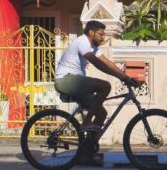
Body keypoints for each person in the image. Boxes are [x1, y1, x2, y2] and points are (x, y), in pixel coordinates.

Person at [54, 20, 141, 163]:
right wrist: (120, 77)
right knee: (105, 86)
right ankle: (87, 121)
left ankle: (87, 152)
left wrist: (126, 77)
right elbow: (96, 63)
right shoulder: (82, 42)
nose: (102, 37)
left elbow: (108, 63)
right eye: (100, 34)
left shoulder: (94, 47)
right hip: (65, 80)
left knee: (101, 114)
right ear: (91, 32)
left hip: (76, 82)